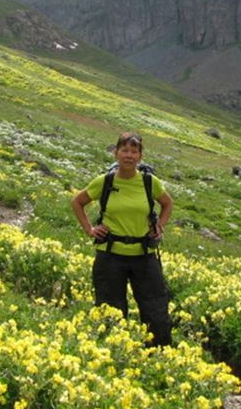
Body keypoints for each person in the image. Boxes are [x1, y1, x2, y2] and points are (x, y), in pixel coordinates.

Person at [71, 132, 174, 346]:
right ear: (116, 153)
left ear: (140, 156)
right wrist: (90, 229)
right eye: (124, 150)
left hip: (144, 255)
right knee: (110, 309)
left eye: (134, 151)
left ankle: (158, 355)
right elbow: (77, 202)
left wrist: (159, 227)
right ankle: (112, 352)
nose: (129, 155)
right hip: (110, 256)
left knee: (156, 309)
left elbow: (167, 203)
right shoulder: (105, 181)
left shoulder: (149, 182)